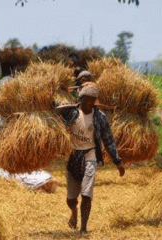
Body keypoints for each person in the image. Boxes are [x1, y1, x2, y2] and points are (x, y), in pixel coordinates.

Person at [57, 82, 125, 235]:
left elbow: (108, 140)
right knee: (71, 200)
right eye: (86, 99)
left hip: (90, 156)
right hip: (72, 156)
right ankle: (73, 212)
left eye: (92, 100)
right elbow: (53, 116)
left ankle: (83, 229)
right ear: (80, 98)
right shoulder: (70, 113)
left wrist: (117, 161)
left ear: (95, 101)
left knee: (87, 195)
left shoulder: (100, 117)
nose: (89, 103)